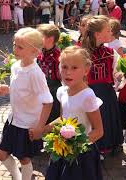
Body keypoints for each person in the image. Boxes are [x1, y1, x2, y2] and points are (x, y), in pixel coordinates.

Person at [0, 27, 53, 180]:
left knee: (24, 158)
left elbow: (48, 102)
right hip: (13, 120)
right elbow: (21, 90)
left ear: (35, 52)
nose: (15, 49)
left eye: (20, 47)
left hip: (27, 124)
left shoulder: (35, 73)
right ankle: (16, 176)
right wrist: (7, 89)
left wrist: (40, 127)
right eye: (15, 45)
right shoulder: (15, 66)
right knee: (1, 155)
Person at [45, 46, 104, 180]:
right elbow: (62, 119)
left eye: (74, 68)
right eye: (64, 67)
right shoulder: (62, 91)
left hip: (81, 154)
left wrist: (74, 145)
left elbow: (98, 131)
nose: (68, 72)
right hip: (62, 149)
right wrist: (43, 129)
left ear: (86, 70)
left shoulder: (87, 96)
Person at [82, 15, 124, 157]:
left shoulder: (110, 52)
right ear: (97, 34)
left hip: (105, 93)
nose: (111, 33)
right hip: (86, 93)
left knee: (106, 119)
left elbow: (116, 71)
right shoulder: (81, 52)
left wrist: (120, 75)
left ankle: (106, 146)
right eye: (108, 30)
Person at [37, 24, 62, 124]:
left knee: (50, 118)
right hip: (40, 90)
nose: (38, 40)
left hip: (53, 93)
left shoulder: (58, 57)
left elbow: (62, 79)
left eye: (40, 37)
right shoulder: (41, 52)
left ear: (50, 39)